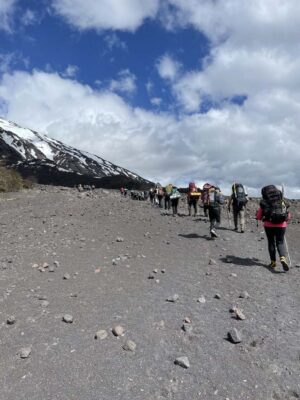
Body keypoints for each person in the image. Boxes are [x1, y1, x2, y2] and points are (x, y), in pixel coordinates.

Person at [256, 185, 291, 271]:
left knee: (271, 242)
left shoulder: (264, 202)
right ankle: (283, 258)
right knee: (280, 241)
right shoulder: (282, 201)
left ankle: (273, 262)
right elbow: (288, 215)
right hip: (281, 225)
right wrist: (285, 220)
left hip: (269, 225)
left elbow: (259, 216)